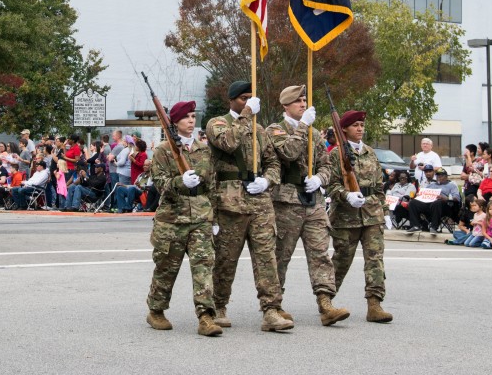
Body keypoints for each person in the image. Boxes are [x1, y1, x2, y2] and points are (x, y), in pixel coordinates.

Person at [206, 81, 292, 332]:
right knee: (226, 259)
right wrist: (245, 116)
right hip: (230, 203)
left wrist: (267, 180)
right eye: (243, 98)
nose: (248, 103)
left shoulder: (260, 130)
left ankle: (271, 310)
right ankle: (218, 306)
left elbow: (273, 163)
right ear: (232, 100)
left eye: (250, 99)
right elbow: (228, 143)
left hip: (260, 204)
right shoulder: (217, 123)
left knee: (267, 258)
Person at [266, 85, 349, 326]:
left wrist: (319, 179)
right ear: (286, 106)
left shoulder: (313, 133)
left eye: (304, 100)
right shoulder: (275, 130)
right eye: (298, 101)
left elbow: (326, 164)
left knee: (320, 254)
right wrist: (304, 127)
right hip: (286, 203)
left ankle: (325, 304)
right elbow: (289, 153)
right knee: (280, 255)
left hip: (313, 201)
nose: (303, 104)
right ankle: (275, 305)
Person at [146, 100, 222, 337]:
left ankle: (206, 317)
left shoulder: (204, 149)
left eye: (193, 116)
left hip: (201, 216)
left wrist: (215, 218)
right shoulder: (162, 151)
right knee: (167, 267)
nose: (191, 120)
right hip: (172, 219)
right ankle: (156, 310)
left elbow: (213, 186)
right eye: (186, 117)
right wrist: (179, 182)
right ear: (175, 122)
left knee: (204, 268)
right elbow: (159, 184)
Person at [327, 109, 393, 323]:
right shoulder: (336, 155)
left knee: (375, 260)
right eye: (355, 125)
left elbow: (379, 185)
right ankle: (326, 302)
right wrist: (346, 196)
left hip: (372, 213)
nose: (360, 129)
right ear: (344, 128)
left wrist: (385, 210)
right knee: (341, 260)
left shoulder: (370, 152)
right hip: (347, 216)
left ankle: (375, 305)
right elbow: (331, 186)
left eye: (362, 126)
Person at [405, 167, 461, 234]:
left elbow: (457, 198)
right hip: (429, 203)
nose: (439, 177)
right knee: (413, 203)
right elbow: (424, 193)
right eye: (437, 175)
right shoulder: (431, 184)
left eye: (441, 175)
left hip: (444, 205)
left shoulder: (451, 185)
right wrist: (419, 195)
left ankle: (434, 227)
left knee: (437, 203)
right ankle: (415, 225)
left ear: (446, 177)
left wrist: (445, 198)